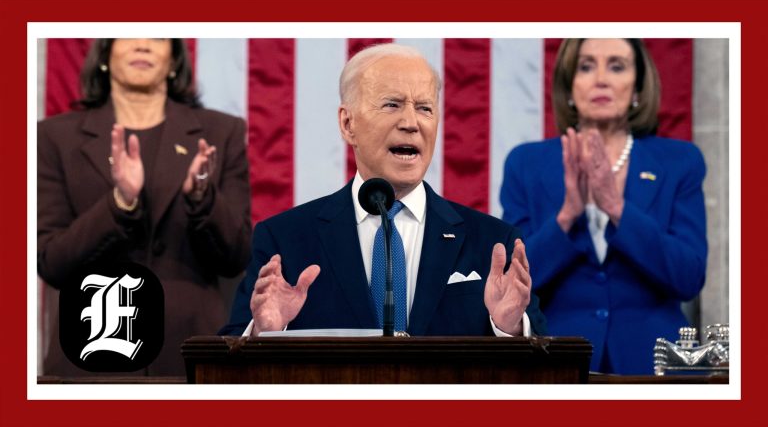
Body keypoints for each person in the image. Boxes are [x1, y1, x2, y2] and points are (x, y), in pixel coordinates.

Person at [221, 44, 546, 339]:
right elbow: (231, 356)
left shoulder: (493, 243)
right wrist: (265, 332)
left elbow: (546, 368)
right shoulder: (285, 240)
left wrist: (509, 328)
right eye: (392, 105)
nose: (411, 122)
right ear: (348, 124)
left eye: (425, 108)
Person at [38, 38, 252, 376]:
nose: (143, 45)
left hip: (190, 352)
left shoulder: (219, 132)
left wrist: (202, 198)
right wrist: (119, 202)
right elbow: (51, 261)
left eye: (156, 36)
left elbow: (237, 256)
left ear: (173, 60)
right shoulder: (54, 137)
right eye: (129, 34)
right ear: (105, 55)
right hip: (93, 350)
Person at [500, 38, 707, 374]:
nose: (601, 79)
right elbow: (513, 283)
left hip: (655, 366)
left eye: (617, 66)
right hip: (556, 363)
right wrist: (567, 215)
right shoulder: (526, 164)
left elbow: (688, 277)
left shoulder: (679, 162)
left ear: (638, 87)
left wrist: (617, 208)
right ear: (569, 86)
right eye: (585, 66)